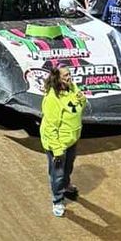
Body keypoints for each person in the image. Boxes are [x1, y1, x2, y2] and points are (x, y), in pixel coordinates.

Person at [39, 65, 85, 218]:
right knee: (57, 173)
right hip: (58, 143)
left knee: (68, 166)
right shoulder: (52, 99)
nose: (69, 77)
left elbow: (79, 105)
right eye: (65, 75)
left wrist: (82, 99)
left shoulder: (72, 87)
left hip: (71, 139)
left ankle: (66, 185)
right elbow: (50, 128)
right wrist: (57, 150)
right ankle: (57, 200)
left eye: (69, 74)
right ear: (57, 79)